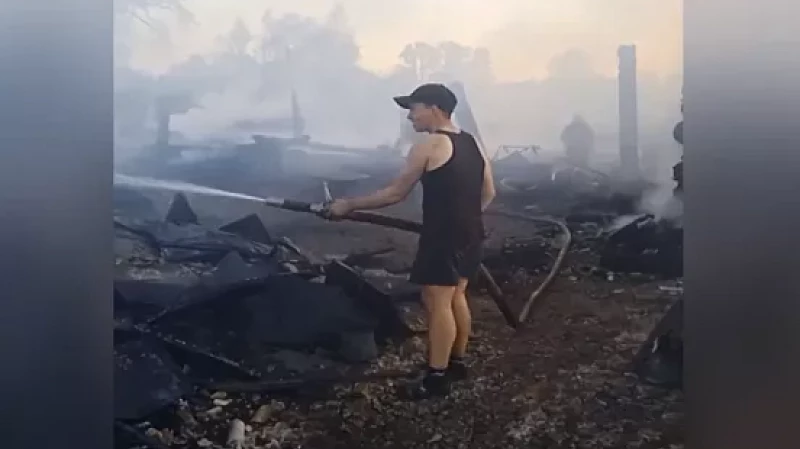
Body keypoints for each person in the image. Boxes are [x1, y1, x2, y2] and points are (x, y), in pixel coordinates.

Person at [325, 83, 496, 399]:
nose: (409, 117)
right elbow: (489, 192)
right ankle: (456, 363)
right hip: (471, 232)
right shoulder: (472, 143)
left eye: (413, 108)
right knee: (457, 295)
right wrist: (465, 218)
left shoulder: (430, 145)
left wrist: (348, 205)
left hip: (443, 238)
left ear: (433, 108)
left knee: (437, 302)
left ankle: (436, 378)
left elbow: (394, 193)